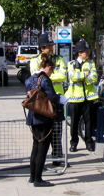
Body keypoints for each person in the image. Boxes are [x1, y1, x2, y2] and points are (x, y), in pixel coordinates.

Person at [25, 54, 67, 187]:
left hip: (33, 116)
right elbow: (52, 97)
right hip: (43, 117)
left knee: (35, 147)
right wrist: (61, 97)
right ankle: (38, 179)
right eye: (52, 69)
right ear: (48, 67)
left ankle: (32, 176)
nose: (52, 72)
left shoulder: (31, 78)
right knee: (43, 148)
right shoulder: (45, 80)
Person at [29, 33, 67, 166]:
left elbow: (63, 76)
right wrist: (47, 76)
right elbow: (35, 76)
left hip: (56, 98)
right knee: (41, 133)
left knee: (57, 130)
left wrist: (45, 76)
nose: (52, 48)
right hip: (41, 100)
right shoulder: (34, 60)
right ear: (42, 47)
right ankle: (40, 161)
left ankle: (57, 157)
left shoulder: (59, 59)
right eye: (49, 46)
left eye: (52, 45)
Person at [65, 40, 98, 152]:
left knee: (89, 122)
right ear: (79, 52)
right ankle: (74, 143)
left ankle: (89, 142)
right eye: (85, 51)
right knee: (74, 123)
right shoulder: (71, 64)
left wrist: (82, 77)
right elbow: (72, 77)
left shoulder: (91, 63)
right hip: (75, 98)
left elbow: (94, 77)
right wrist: (85, 75)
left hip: (88, 98)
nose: (87, 53)